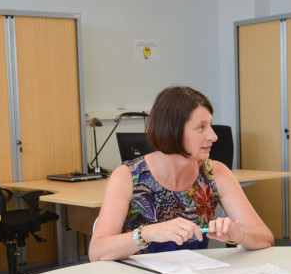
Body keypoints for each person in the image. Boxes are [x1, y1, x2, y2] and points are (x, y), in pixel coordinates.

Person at [89, 85, 273, 261]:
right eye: (201, 127)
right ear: (173, 130)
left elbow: (265, 237)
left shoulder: (216, 173)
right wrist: (146, 234)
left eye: (210, 125)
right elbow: (97, 252)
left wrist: (238, 235)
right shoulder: (127, 176)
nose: (214, 136)